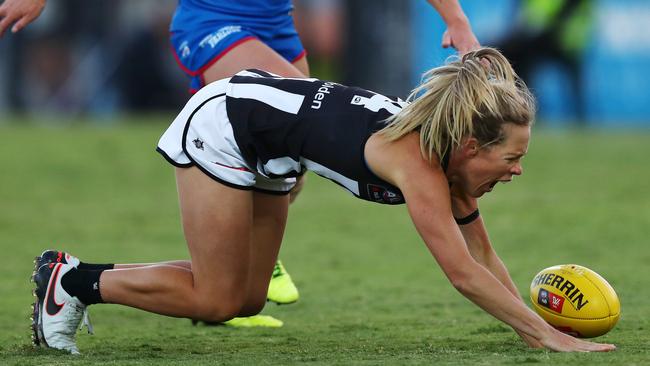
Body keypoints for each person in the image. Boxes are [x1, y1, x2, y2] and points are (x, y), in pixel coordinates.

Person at [31, 47, 616, 354]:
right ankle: (70, 281)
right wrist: (549, 337)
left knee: (243, 299)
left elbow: (484, 257)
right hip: (227, 125)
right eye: (511, 159)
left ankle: (72, 279)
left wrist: (532, 328)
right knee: (215, 298)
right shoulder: (417, 163)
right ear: (468, 146)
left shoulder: (452, 166)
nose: (516, 172)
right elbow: (463, 274)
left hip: (273, 144)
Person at [3, 0, 481, 327]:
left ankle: (227, 269)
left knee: (287, 175)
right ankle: (223, 268)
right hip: (212, 24)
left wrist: (456, 18)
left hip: (277, 28)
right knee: (310, 127)